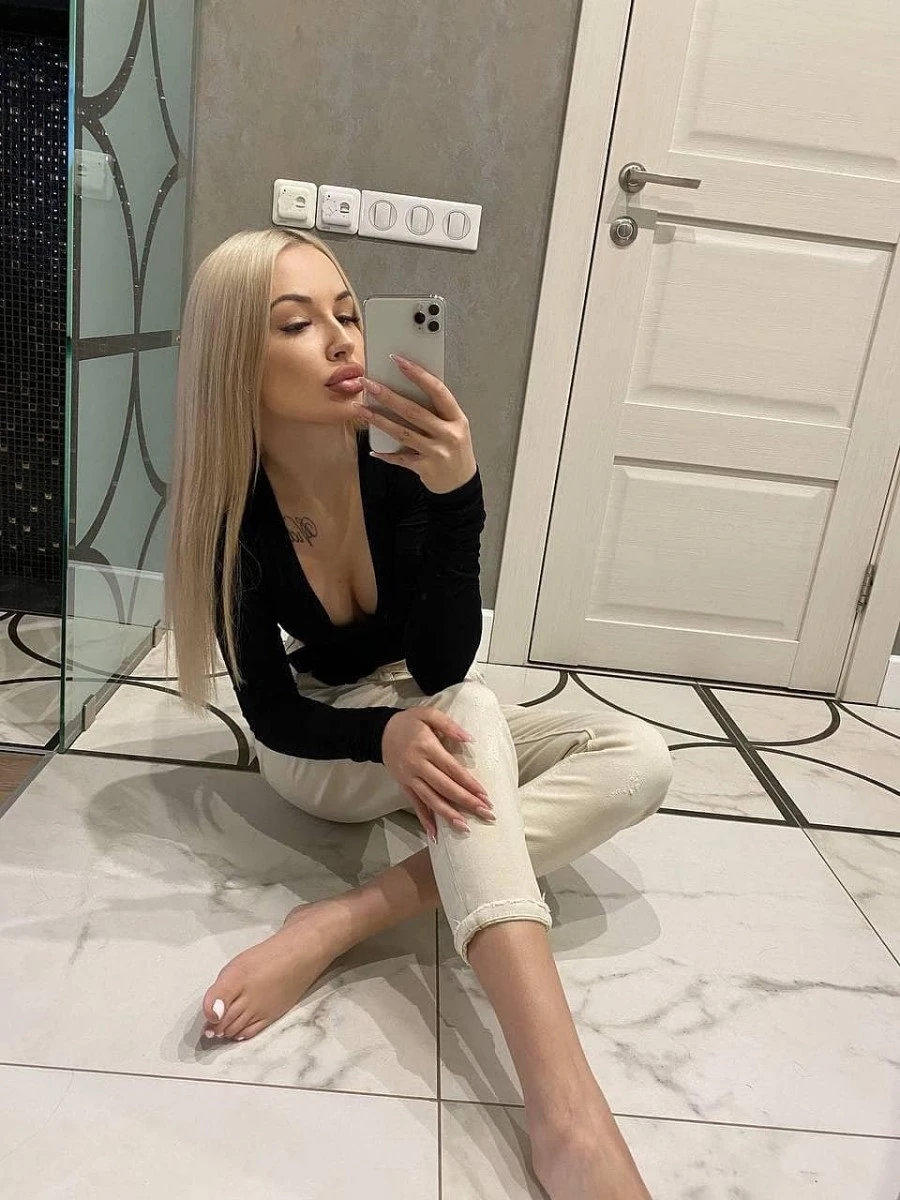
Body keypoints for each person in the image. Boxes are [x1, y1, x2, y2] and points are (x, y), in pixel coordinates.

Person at [164, 227, 673, 1200]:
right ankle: (567, 1117)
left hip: (414, 700)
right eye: (295, 324)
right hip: (320, 746)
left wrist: (459, 499)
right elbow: (272, 713)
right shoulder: (233, 510)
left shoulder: (399, 466)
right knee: (466, 715)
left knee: (637, 758)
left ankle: (343, 919)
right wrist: (384, 735)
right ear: (235, 359)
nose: (342, 340)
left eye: (349, 315)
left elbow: (440, 664)